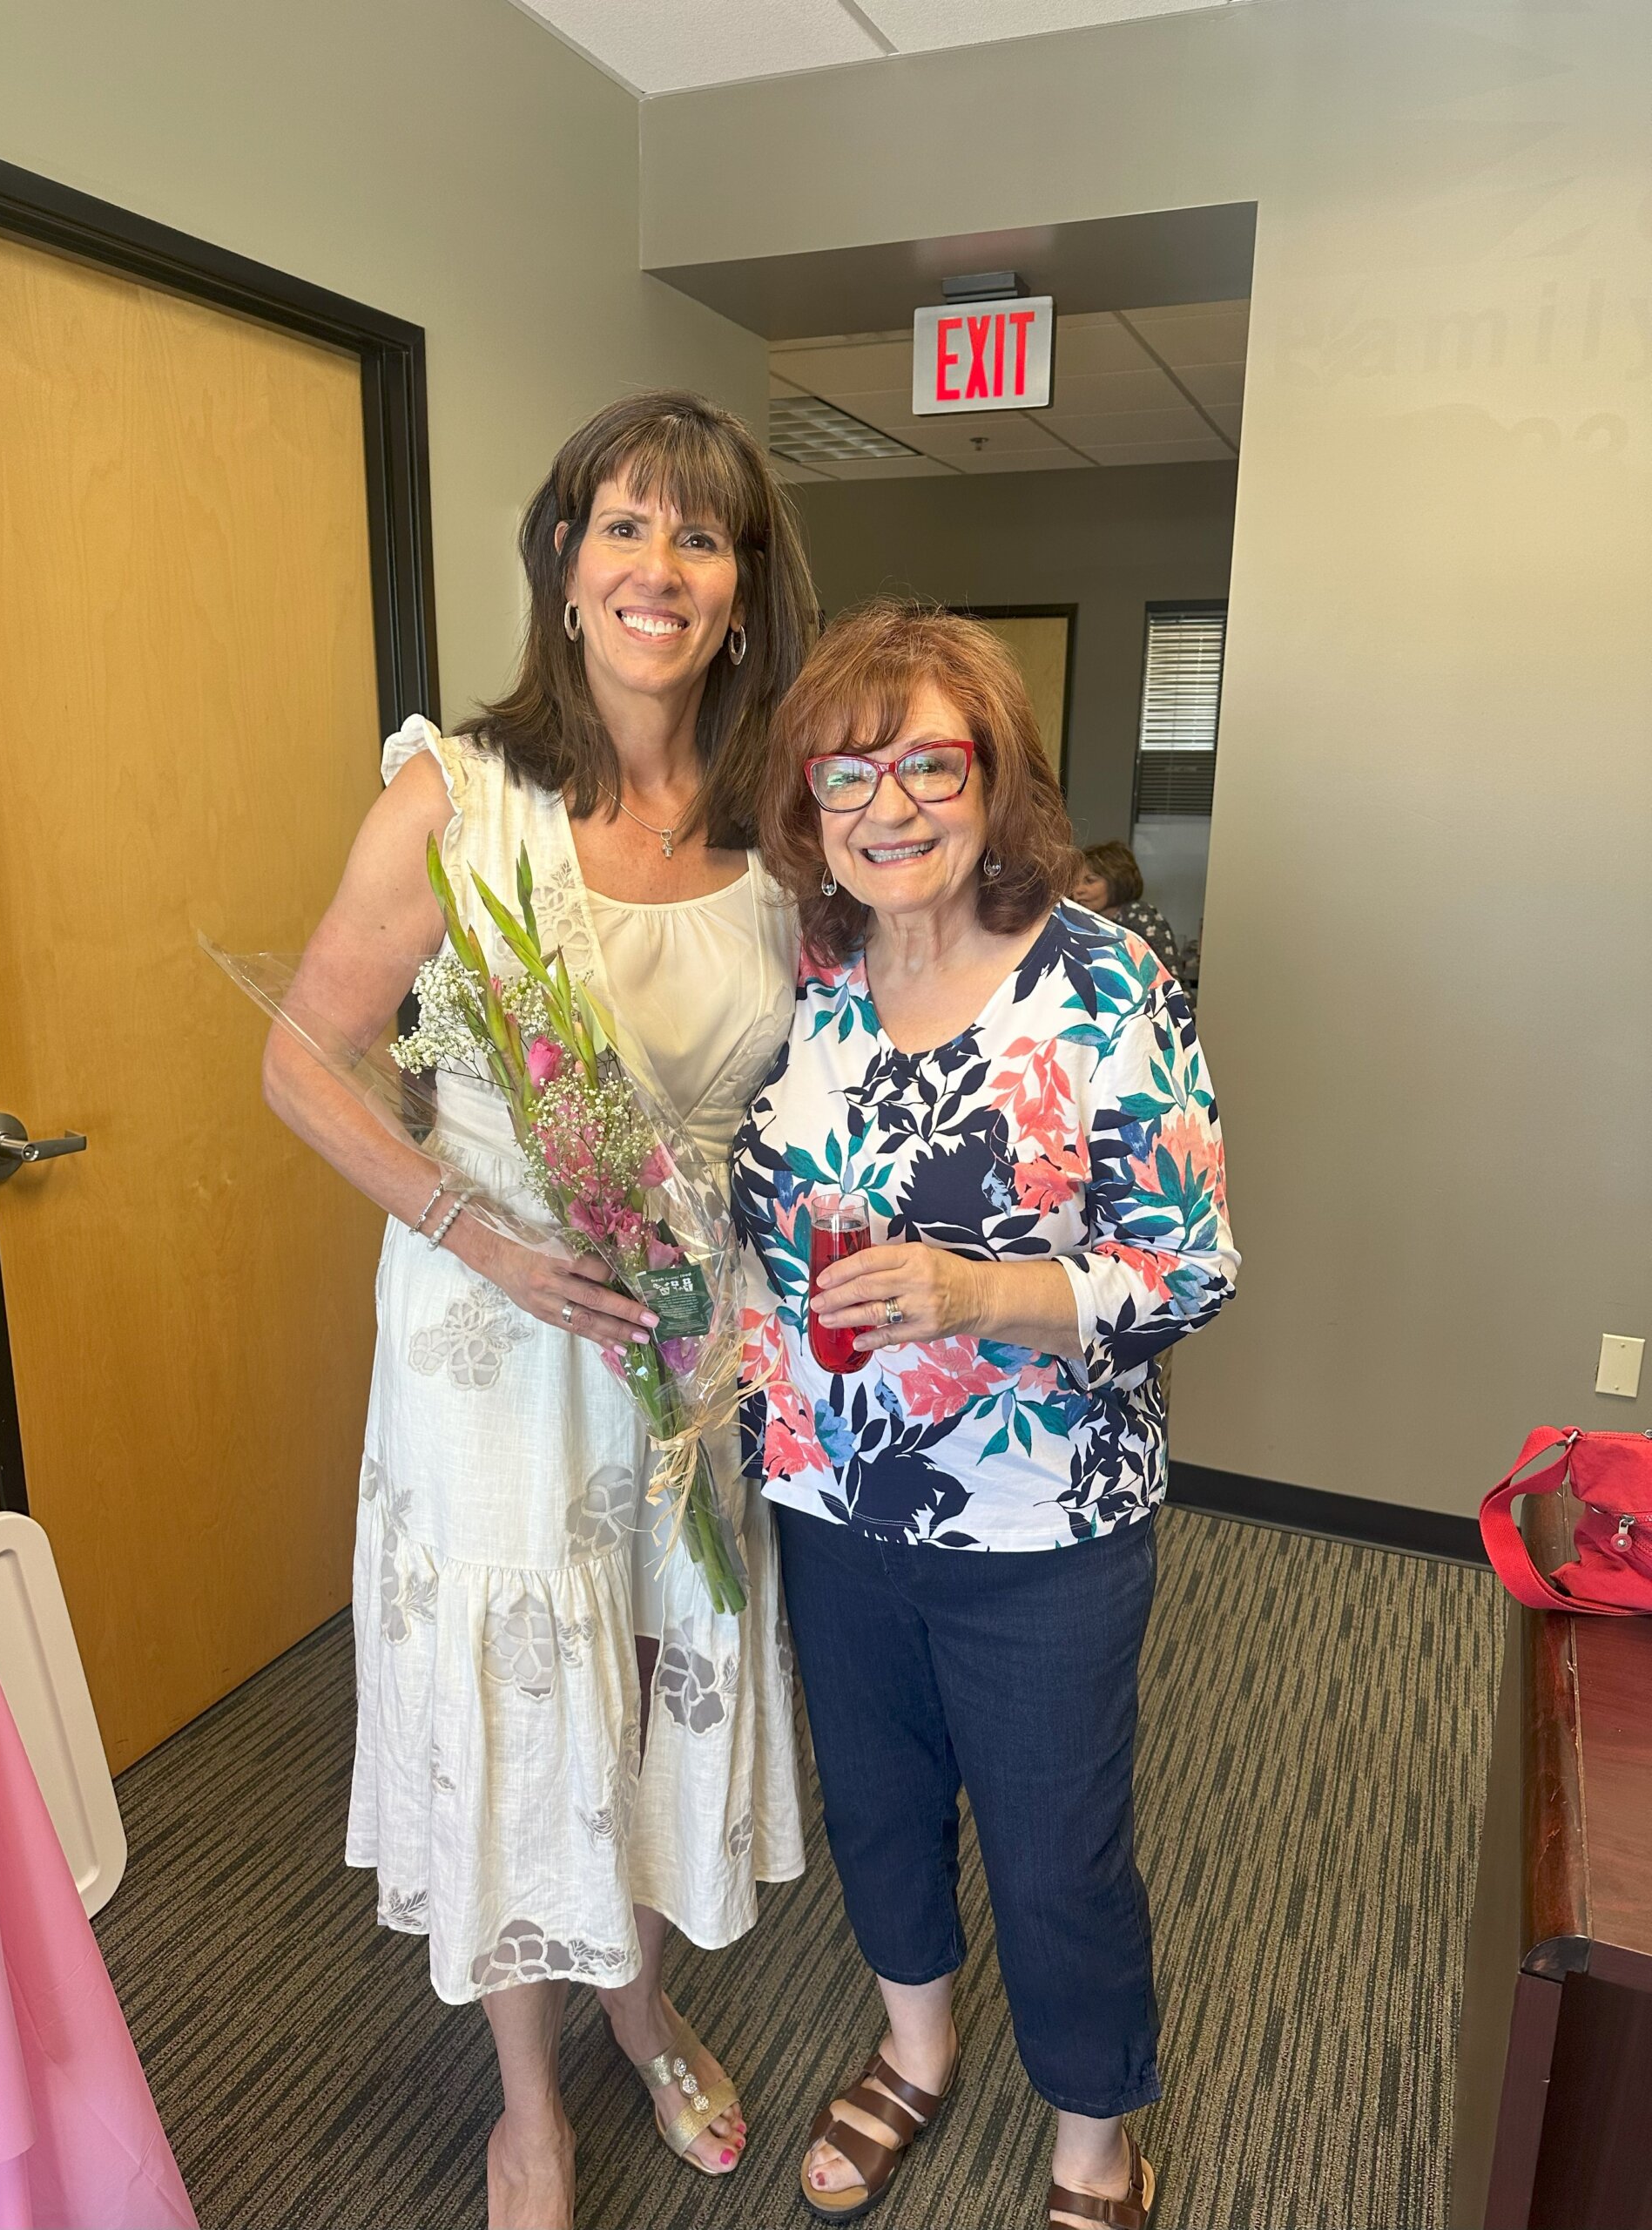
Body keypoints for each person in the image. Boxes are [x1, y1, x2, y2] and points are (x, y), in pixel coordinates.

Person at [262, 391, 819, 2230]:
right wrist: (481, 1236)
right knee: (527, 1695)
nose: (660, 567)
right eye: (624, 526)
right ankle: (527, 2105)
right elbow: (301, 1060)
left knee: (653, 1679)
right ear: (565, 566)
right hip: (497, 1338)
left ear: (741, 591)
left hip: (689, 1341)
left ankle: (640, 2007)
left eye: (700, 536)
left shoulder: (780, 824)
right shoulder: (461, 793)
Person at [732, 605, 1237, 2230]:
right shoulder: (805, 978)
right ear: (809, 806)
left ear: (997, 775)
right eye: (846, 773)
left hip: (1043, 1521)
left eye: (929, 765)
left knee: (1053, 1848)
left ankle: (1092, 2137)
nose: (886, 806)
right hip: (829, 1494)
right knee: (877, 1808)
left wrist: (980, 1293)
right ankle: (914, 2050)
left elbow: (1193, 1268)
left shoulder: (1103, 985)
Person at [1075, 840, 1183, 982]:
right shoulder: (1084, 923)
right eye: (1074, 883)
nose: (1078, 890)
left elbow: (1169, 979)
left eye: (1090, 881)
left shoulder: (1140, 915)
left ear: (1117, 880)